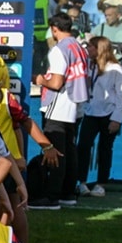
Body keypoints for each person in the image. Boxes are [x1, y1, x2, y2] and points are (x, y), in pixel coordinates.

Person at [31, 13, 90, 209]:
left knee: (55, 151)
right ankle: (68, 193)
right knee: (70, 150)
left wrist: (40, 80)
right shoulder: (80, 47)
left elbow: (56, 83)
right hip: (76, 102)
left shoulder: (59, 49)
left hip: (60, 103)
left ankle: (51, 196)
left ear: (54, 29)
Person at [76, 35, 122, 197]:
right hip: (91, 112)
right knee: (83, 146)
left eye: (91, 47)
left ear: (100, 49)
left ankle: (101, 183)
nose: (88, 50)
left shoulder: (115, 69)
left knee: (105, 149)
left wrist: (116, 119)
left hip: (108, 114)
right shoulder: (90, 66)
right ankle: (82, 182)